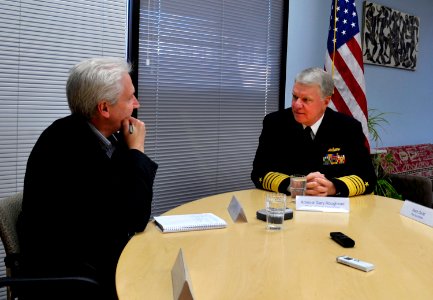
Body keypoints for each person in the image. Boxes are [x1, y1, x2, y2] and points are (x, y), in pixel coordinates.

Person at [17, 57, 158, 299]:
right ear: (104, 108)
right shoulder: (68, 148)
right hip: (73, 277)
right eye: (129, 98)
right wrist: (137, 151)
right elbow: (134, 216)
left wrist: (129, 149)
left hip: (92, 257)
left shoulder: (101, 136)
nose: (137, 103)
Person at [251, 67, 376, 197]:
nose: (297, 105)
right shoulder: (275, 123)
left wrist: (333, 187)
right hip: (287, 205)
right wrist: (293, 185)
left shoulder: (348, 128)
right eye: (295, 97)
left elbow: (368, 177)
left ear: (325, 102)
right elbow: (259, 172)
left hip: (332, 209)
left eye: (306, 100)